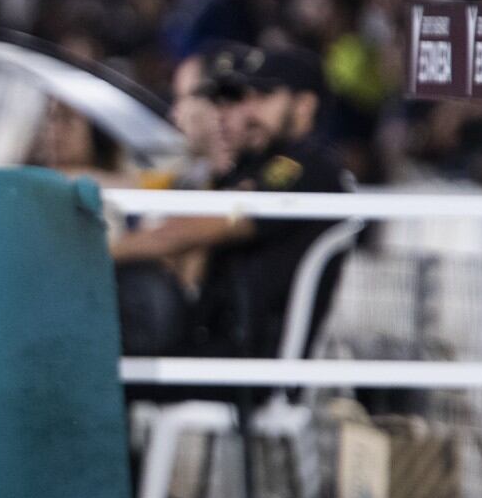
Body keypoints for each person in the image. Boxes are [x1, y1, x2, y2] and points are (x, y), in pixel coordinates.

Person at [112, 44, 352, 359]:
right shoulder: (258, 166)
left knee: (109, 366)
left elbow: (209, 227)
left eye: (264, 97)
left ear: (304, 105)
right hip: (218, 343)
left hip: (245, 361)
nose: (250, 111)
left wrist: (105, 251)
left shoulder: (309, 169)